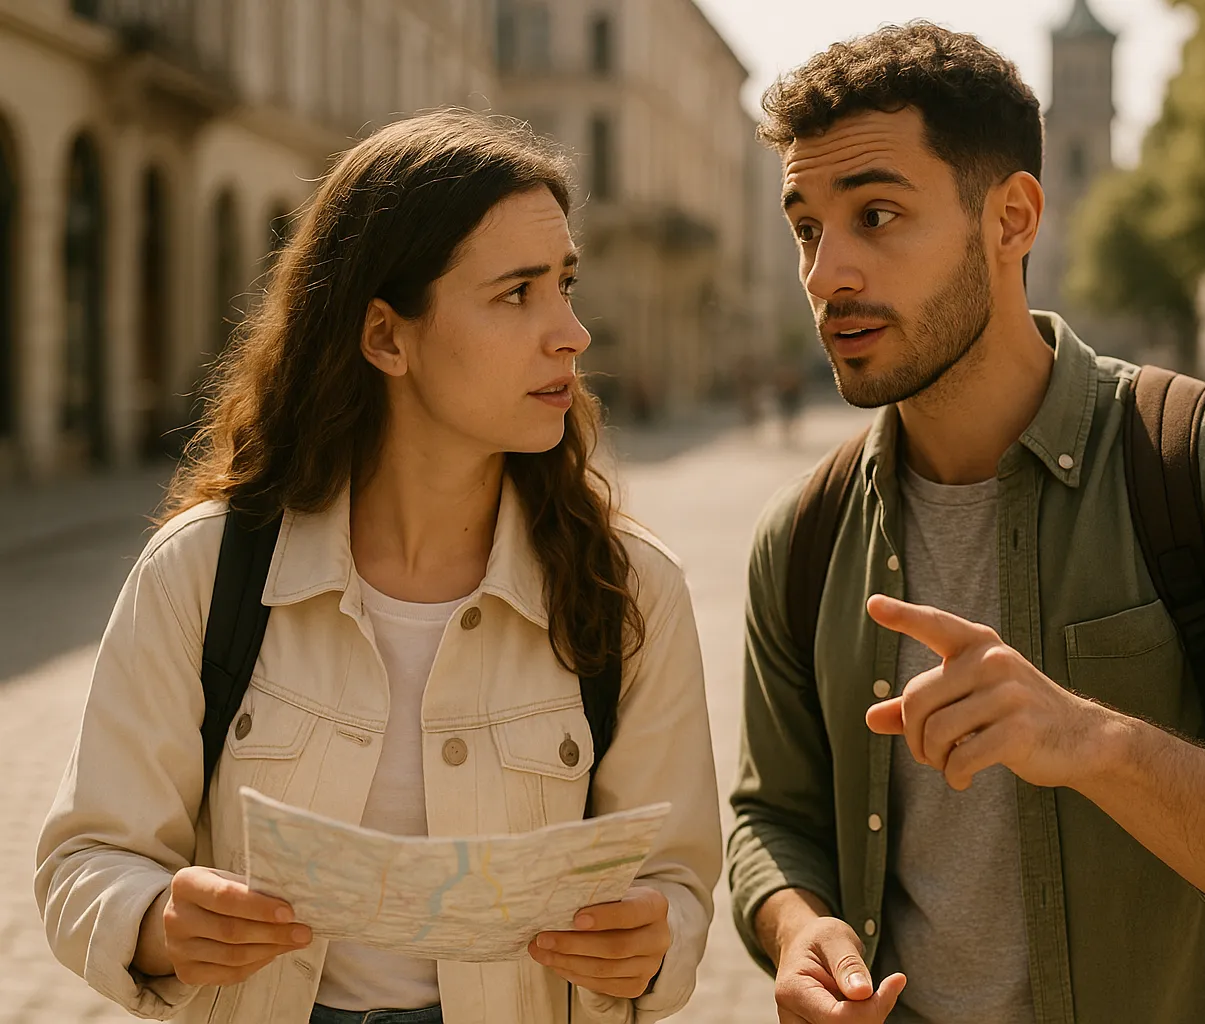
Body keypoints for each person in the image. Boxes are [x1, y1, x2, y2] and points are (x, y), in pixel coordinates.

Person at [728, 23, 1205, 1024]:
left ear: (1012, 219)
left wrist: (1093, 740)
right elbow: (771, 817)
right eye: (806, 228)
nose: (825, 272)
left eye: (876, 215)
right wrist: (796, 927)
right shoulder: (800, 535)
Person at [36, 109, 720, 1024]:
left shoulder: (630, 589)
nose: (572, 333)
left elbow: (677, 879)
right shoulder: (202, 569)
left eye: (565, 284)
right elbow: (86, 860)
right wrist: (160, 922)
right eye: (516, 294)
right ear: (386, 337)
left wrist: (652, 940)